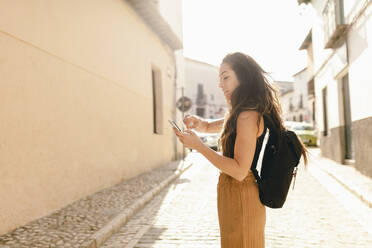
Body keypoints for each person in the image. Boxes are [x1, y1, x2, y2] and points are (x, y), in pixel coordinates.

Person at [172, 52, 307, 248]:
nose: (220, 84)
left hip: (242, 194)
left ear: (243, 78)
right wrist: (200, 124)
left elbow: (239, 169)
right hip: (233, 193)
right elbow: (213, 126)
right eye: (220, 78)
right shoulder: (240, 113)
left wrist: (199, 147)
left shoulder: (247, 116)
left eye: (226, 77)